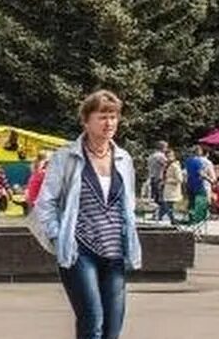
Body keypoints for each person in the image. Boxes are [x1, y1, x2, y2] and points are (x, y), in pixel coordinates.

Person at [34, 90, 141, 339]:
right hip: (80, 251)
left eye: (113, 117)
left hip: (115, 251)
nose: (109, 123)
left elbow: (129, 204)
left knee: (113, 328)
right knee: (92, 320)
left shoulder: (124, 158)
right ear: (86, 120)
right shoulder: (67, 157)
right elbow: (45, 202)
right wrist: (58, 235)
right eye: (102, 116)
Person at [184, 145, 216, 212]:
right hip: (201, 184)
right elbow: (201, 173)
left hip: (190, 183)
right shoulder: (201, 162)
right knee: (203, 202)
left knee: (192, 202)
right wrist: (211, 180)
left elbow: (185, 173)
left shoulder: (188, 161)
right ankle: (201, 218)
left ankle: (191, 217)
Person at [159, 148, 183, 223]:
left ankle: (172, 220)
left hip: (172, 190)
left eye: (170, 156)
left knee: (169, 206)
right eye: (167, 156)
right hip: (166, 189)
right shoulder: (166, 166)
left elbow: (180, 179)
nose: (168, 158)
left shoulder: (175, 166)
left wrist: (168, 181)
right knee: (166, 205)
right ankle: (164, 217)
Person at [146, 140, 168, 216]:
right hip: (159, 178)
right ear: (163, 148)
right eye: (166, 147)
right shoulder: (161, 156)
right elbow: (167, 166)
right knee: (160, 197)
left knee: (154, 197)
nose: (166, 149)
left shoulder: (151, 156)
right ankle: (160, 214)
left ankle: (155, 213)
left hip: (152, 177)